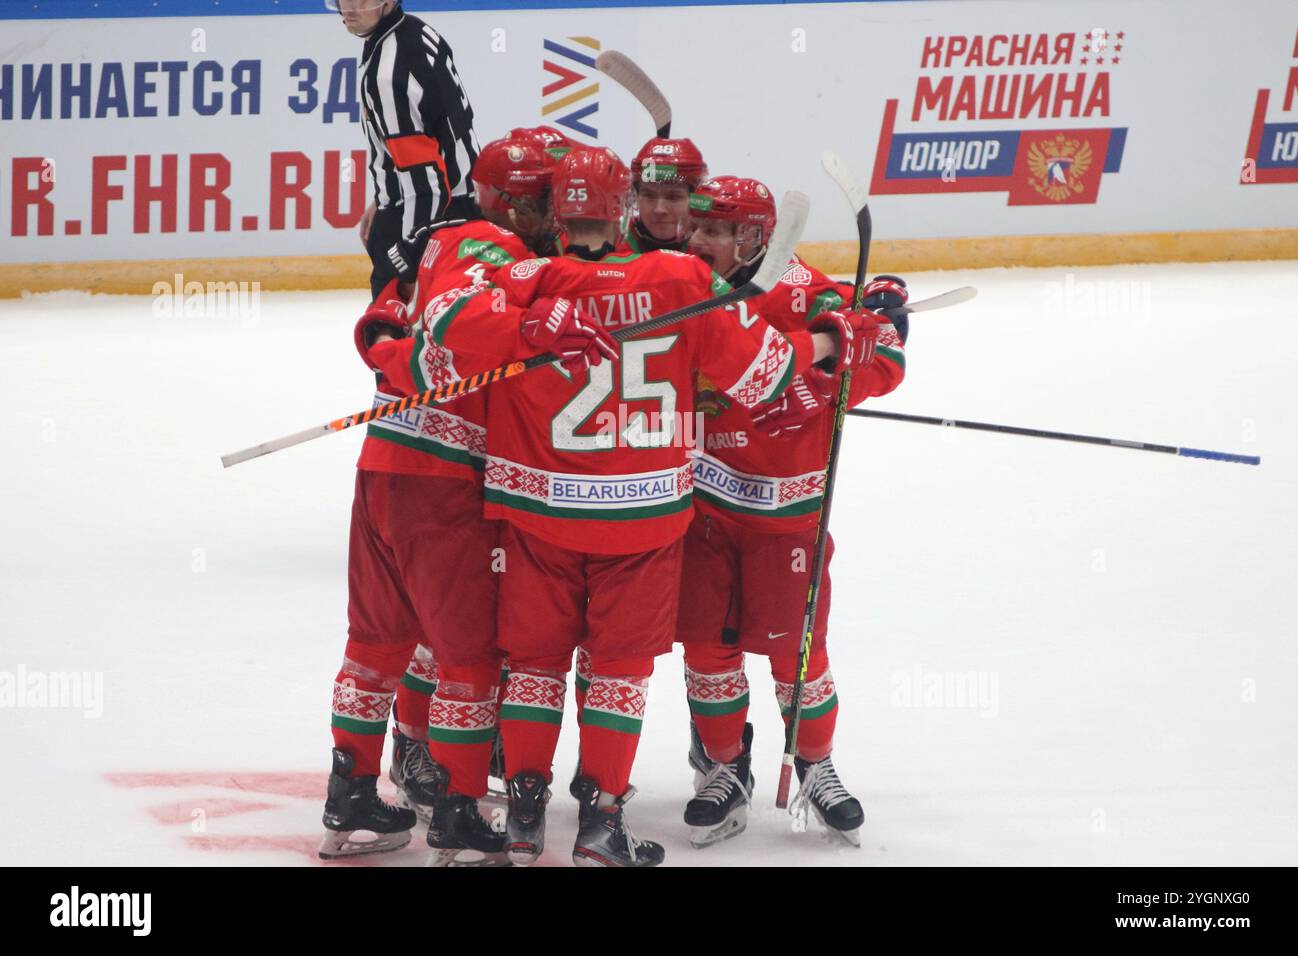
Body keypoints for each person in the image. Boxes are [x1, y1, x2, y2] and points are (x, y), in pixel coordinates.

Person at [402, 146, 873, 866]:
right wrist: (827, 341)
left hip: (537, 514)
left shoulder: (528, 279)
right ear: (624, 210)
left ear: (557, 213)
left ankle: (525, 814)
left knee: (533, 663)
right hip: (644, 519)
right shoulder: (684, 278)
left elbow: (446, 322)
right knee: (618, 671)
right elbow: (765, 378)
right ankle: (601, 823)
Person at [321, 131, 570, 865]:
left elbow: (385, 318)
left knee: (377, 642)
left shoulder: (438, 239)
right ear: (513, 202)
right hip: (445, 480)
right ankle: (459, 809)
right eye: (547, 199)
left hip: (384, 465)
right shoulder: (502, 254)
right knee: (470, 654)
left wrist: (391, 354)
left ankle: (351, 791)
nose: (558, 212)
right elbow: (461, 330)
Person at [676, 175, 908, 848]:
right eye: (697, 228)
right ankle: (722, 770)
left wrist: (832, 372)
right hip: (705, 508)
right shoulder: (686, 283)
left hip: (787, 517)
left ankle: (815, 764)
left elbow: (886, 358)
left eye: (713, 231)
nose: (698, 241)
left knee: (797, 656)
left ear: (752, 238)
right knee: (707, 650)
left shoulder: (807, 293)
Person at [329, 0, 480, 297]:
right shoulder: (417, 31)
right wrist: (386, 196)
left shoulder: (387, 75)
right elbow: (438, 136)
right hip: (464, 206)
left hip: (430, 219)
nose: (349, 8)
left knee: (390, 334)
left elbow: (425, 181)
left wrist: (411, 257)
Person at [619, 137, 709, 254]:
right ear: (635, 196)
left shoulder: (711, 250)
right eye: (649, 196)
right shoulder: (613, 243)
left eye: (673, 197)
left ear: (695, 201)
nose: (659, 210)